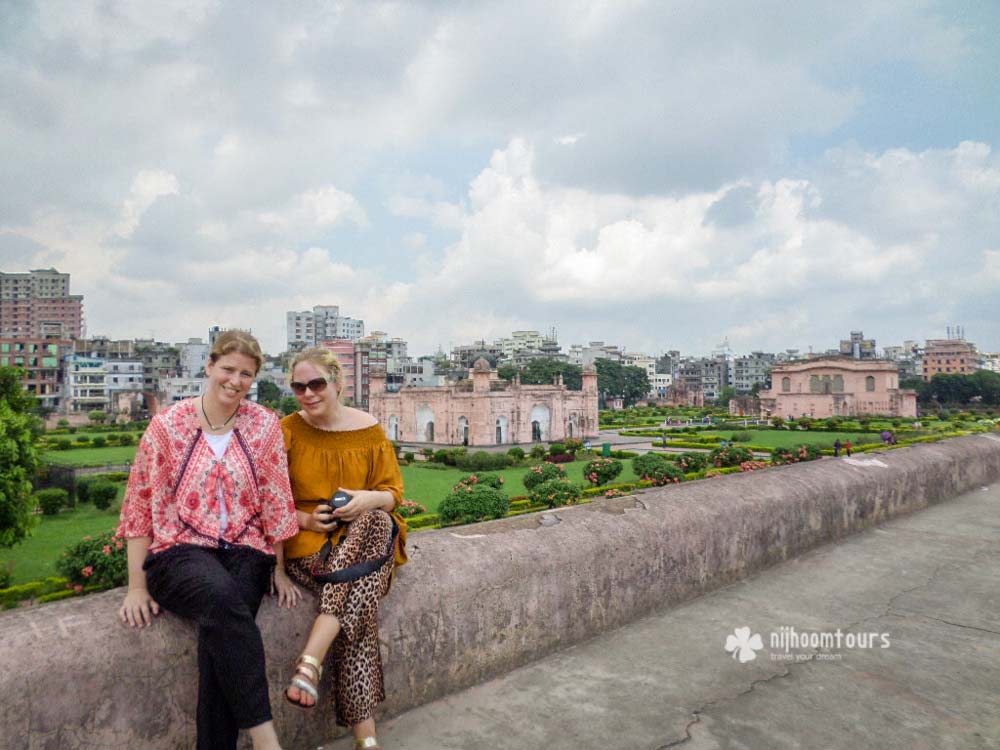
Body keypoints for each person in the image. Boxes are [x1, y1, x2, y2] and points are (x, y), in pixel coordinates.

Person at [117, 331, 300, 750]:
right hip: (179, 551)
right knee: (222, 599)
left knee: (219, 643)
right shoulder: (168, 426)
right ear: (210, 366)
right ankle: (267, 739)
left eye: (246, 374)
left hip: (247, 549)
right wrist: (136, 587)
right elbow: (140, 503)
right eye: (228, 369)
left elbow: (275, 498)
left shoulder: (264, 425)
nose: (235, 381)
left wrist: (279, 568)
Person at [280, 347, 408, 750]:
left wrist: (365, 499)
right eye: (299, 387)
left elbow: (393, 494)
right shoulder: (287, 431)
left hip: (364, 543)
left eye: (316, 384)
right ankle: (366, 741)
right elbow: (268, 501)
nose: (308, 394)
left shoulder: (368, 430)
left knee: (377, 521)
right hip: (311, 548)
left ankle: (310, 661)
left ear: (337, 383)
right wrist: (306, 520)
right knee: (359, 609)